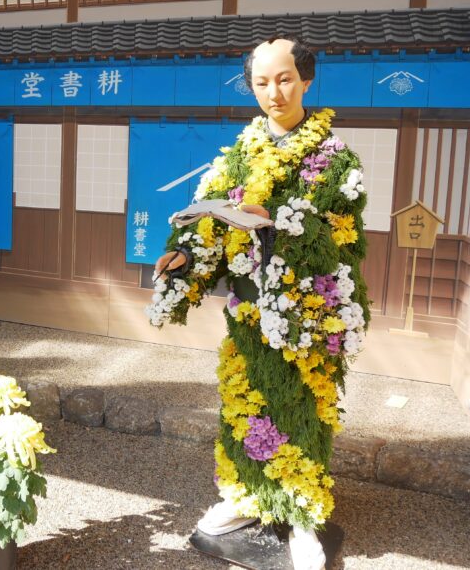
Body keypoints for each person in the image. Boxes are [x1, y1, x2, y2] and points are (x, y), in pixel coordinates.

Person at [148, 38, 369, 570]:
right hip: (247, 310)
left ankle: (302, 517)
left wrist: (282, 222)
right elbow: (210, 219)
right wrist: (183, 256)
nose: (274, 92)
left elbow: (342, 238)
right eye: (262, 82)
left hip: (304, 309)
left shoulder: (335, 158)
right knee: (244, 405)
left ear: (307, 80)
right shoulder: (241, 153)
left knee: (300, 409)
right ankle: (246, 498)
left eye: (286, 79)